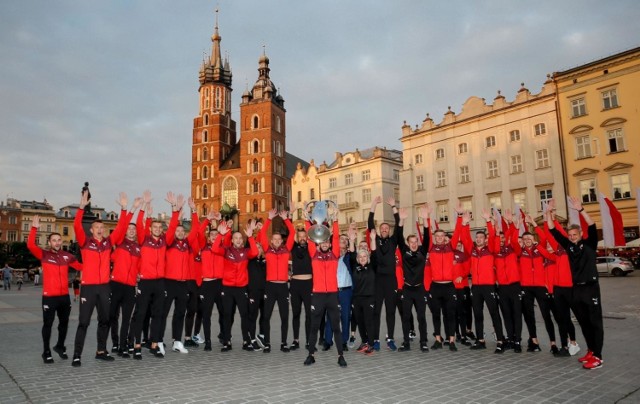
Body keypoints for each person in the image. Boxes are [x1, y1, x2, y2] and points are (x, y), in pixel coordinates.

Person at [71, 191, 134, 367]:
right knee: (83, 322)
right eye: (97, 227)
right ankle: (77, 354)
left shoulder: (107, 243)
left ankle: (101, 351)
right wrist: (81, 207)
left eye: (102, 227)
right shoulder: (85, 242)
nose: (100, 229)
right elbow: (77, 226)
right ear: (91, 230)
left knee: (105, 320)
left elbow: (121, 228)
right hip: (89, 288)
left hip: (105, 287)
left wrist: (123, 209)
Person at [547, 196, 603, 370]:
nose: (571, 237)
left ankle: (598, 357)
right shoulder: (569, 246)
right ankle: (591, 350)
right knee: (583, 322)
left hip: (590, 288)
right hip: (576, 289)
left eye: (574, 235)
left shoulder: (589, 244)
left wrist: (580, 209)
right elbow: (552, 230)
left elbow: (592, 225)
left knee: (595, 322)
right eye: (570, 235)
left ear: (580, 234)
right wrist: (548, 212)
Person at [129, 191, 181, 359]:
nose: (158, 229)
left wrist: (174, 208)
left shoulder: (164, 241)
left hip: (160, 283)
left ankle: (154, 344)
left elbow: (173, 226)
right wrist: (144, 207)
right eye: (155, 227)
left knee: (158, 314)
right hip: (145, 282)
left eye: (160, 228)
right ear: (150, 228)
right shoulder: (144, 239)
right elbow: (138, 223)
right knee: (142, 313)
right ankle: (137, 345)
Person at [28, 215, 83, 363]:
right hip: (49, 297)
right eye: (54, 240)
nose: (57, 242)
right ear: (49, 242)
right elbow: (31, 246)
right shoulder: (44, 254)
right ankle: (46, 351)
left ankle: (60, 346)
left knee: (64, 324)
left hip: (64, 296)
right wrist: (34, 228)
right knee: (48, 324)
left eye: (59, 240)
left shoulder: (67, 256)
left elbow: (81, 266)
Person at [303, 207, 347, 367]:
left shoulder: (334, 254)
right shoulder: (314, 254)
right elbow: (309, 236)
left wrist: (335, 220)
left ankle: (340, 355)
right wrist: (306, 219)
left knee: (336, 326)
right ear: (319, 242)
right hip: (318, 295)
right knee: (314, 326)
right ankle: (311, 354)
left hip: (333, 295)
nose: (326, 244)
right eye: (323, 242)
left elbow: (336, 239)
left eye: (328, 241)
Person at [461, 208, 505, 353]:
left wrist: (488, 221)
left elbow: (493, 236)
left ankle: (500, 341)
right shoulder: (472, 250)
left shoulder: (491, 249)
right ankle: (480, 340)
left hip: (489, 287)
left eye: (481, 237)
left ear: (485, 240)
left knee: (494, 313)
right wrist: (465, 223)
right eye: (477, 237)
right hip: (476, 287)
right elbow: (465, 238)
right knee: (477, 314)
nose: (478, 239)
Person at [160, 197, 200, 355]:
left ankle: (177, 341)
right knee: (163, 313)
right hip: (169, 283)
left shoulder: (187, 244)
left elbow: (196, 229)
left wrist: (194, 211)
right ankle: (158, 340)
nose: (180, 233)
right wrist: (175, 211)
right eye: (178, 231)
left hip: (183, 284)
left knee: (180, 313)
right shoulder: (169, 243)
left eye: (182, 231)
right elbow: (170, 230)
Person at [212, 219, 259, 352]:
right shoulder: (226, 251)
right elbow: (215, 249)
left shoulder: (246, 252)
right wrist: (220, 235)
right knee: (227, 315)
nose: (238, 240)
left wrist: (250, 237)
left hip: (241, 288)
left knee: (244, 315)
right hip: (227, 288)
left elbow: (255, 253)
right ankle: (227, 341)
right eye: (235, 238)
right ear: (232, 240)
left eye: (240, 238)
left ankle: (246, 341)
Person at [425, 207, 465, 352]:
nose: (440, 238)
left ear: (445, 237)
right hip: (436, 286)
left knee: (451, 313)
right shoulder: (431, 248)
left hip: (449, 286)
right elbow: (427, 233)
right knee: (436, 314)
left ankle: (452, 340)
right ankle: (437, 340)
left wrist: (460, 215)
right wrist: (427, 218)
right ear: (435, 238)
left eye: (442, 236)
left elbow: (458, 231)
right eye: (437, 236)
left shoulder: (450, 247)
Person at [108, 196, 143, 358]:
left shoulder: (138, 248)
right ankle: (115, 343)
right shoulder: (120, 242)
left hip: (130, 287)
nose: (131, 230)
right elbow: (121, 226)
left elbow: (140, 266)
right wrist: (131, 210)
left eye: (133, 229)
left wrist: (140, 275)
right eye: (129, 229)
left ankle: (123, 345)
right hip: (116, 284)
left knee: (127, 318)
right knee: (113, 316)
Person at [258, 209, 295, 353]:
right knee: (266, 316)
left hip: (283, 287)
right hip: (270, 287)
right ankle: (267, 343)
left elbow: (292, 233)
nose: (277, 241)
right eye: (275, 239)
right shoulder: (267, 250)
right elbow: (261, 235)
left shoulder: (286, 250)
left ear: (282, 241)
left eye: (279, 239)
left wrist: (286, 220)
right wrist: (268, 219)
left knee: (284, 316)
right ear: (271, 241)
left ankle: (283, 343)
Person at [367, 196, 400, 351]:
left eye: (387, 228)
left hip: (391, 281)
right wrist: (374, 204)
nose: (385, 230)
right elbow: (369, 223)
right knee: (376, 311)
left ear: (389, 230)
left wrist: (394, 207)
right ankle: (375, 339)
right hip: (378, 280)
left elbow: (399, 227)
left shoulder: (393, 241)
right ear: (380, 230)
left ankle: (390, 338)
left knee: (390, 311)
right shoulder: (375, 239)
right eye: (382, 228)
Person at [396, 205, 430, 352]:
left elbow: (427, 236)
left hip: (420, 289)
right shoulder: (404, 251)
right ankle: (406, 342)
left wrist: (424, 220)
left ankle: (423, 341)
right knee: (406, 317)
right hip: (407, 289)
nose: (414, 244)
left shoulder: (423, 250)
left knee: (421, 317)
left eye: (416, 241)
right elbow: (398, 236)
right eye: (411, 242)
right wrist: (401, 221)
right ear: (408, 244)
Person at [196, 214, 229, 351]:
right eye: (212, 235)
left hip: (220, 284)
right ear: (208, 237)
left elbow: (227, 235)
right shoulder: (204, 247)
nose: (215, 236)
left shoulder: (223, 248)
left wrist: (223, 222)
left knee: (223, 313)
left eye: (217, 234)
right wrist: (208, 220)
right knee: (206, 314)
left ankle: (224, 336)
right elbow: (199, 232)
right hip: (207, 284)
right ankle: (208, 340)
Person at [493, 211, 523, 352]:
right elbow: (494, 242)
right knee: (506, 314)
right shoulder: (496, 254)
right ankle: (510, 338)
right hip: (503, 288)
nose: (502, 240)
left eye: (504, 238)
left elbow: (515, 239)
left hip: (515, 286)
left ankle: (517, 340)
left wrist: (512, 224)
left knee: (516, 314)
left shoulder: (513, 250)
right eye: (500, 239)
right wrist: (495, 230)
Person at [322, 229, 353, 352]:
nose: (343, 241)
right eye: (341, 239)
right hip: (333, 291)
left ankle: (344, 341)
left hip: (346, 291)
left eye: (346, 240)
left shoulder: (350, 257)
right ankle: (327, 341)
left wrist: (352, 241)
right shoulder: (330, 256)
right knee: (330, 317)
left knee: (346, 317)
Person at [350, 225, 377, 355]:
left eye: (364, 257)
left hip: (369, 298)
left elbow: (375, 252)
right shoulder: (355, 267)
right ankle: (364, 342)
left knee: (368, 321)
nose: (362, 259)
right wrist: (352, 240)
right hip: (357, 298)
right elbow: (351, 253)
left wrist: (372, 240)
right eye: (360, 257)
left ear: (368, 258)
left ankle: (371, 344)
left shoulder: (372, 266)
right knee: (360, 322)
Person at [289, 226, 313, 351]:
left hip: (309, 284)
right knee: (296, 313)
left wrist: (306, 219)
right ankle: (295, 340)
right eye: (300, 237)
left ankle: (309, 341)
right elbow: (291, 233)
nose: (303, 238)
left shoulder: (311, 248)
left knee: (309, 314)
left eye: (305, 236)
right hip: (295, 285)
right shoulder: (293, 247)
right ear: (297, 238)